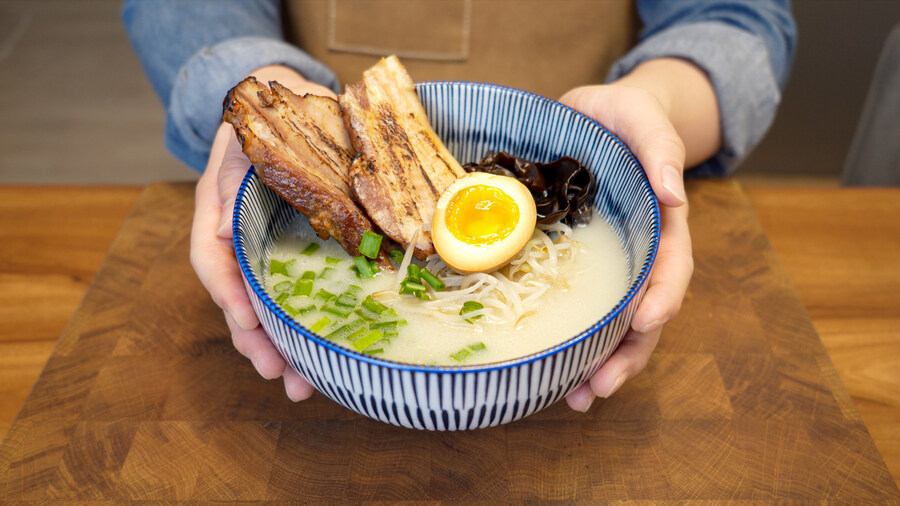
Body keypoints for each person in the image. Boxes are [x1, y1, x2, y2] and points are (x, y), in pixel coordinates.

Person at [123, 0, 796, 412]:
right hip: (340, 126)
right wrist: (275, 114)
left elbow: (736, 18)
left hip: (585, 124)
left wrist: (660, 109)